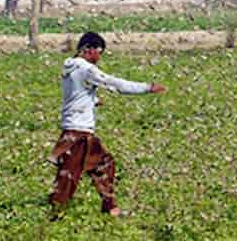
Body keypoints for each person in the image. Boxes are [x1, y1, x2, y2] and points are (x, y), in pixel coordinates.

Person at [48, 31, 165, 217]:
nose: (99, 57)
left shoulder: (70, 67)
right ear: (88, 49)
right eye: (99, 52)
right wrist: (146, 88)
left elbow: (75, 94)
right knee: (68, 176)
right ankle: (54, 215)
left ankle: (110, 207)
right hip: (78, 132)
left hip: (78, 130)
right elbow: (113, 83)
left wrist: (92, 101)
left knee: (104, 164)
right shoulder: (86, 69)